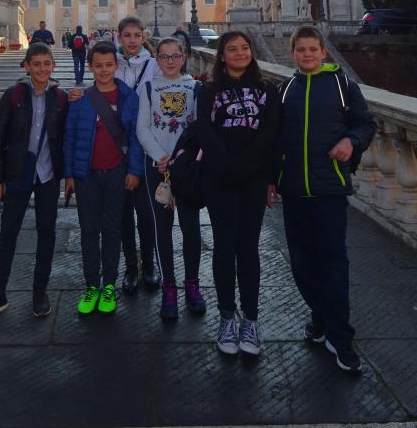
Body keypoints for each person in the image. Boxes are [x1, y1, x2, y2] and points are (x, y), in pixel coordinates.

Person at [268, 25, 375, 372]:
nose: (307, 55)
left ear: (323, 52)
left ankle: (340, 338)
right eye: (301, 50)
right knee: (302, 264)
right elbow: (275, 140)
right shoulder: (285, 90)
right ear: (293, 54)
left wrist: (350, 142)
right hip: (294, 190)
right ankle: (320, 317)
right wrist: (272, 179)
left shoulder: (344, 86)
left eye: (312, 49)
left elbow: (366, 125)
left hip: (330, 189)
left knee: (332, 263)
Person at [0, 43, 68, 322]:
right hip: (17, 174)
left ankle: (40, 293)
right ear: (26, 66)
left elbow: (66, 139)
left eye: (46, 63)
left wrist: (69, 174)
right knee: (8, 233)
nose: (42, 69)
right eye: (36, 64)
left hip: (47, 175)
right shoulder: (13, 95)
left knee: (47, 233)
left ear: (53, 66)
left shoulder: (60, 98)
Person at [196, 31, 281, 356]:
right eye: (232, 49)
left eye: (245, 47)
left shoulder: (267, 90)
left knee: (248, 247)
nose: (240, 53)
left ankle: (251, 319)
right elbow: (205, 132)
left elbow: (269, 134)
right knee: (223, 246)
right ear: (222, 56)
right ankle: (227, 317)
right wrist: (229, 166)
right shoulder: (208, 90)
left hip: (253, 178)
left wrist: (252, 170)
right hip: (219, 177)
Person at [64, 41, 143, 315]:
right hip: (87, 175)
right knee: (88, 230)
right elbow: (70, 139)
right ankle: (91, 286)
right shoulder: (81, 100)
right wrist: (69, 175)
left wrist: (134, 171)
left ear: (116, 66)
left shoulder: (129, 98)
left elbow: (136, 138)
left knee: (112, 230)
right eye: (98, 65)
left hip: (118, 173)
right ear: (90, 67)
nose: (104, 70)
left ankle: (108, 284)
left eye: (109, 65)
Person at [137, 37, 206, 320]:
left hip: (186, 169)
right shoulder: (149, 88)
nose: (170, 61)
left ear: (184, 57)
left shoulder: (196, 88)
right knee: (162, 228)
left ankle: (192, 282)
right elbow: (142, 128)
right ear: (157, 59)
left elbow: (200, 128)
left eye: (175, 56)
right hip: (157, 167)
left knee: (191, 228)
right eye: (164, 56)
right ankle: (169, 285)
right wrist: (159, 156)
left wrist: (180, 157)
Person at [115, 16, 160, 293]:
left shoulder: (154, 65)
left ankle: (149, 264)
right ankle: (130, 266)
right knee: (123, 213)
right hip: (118, 148)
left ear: (143, 37)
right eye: (127, 35)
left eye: (136, 35)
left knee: (146, 212)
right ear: (119, 37)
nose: (132, 40)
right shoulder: (112, 64)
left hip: (146, 147)